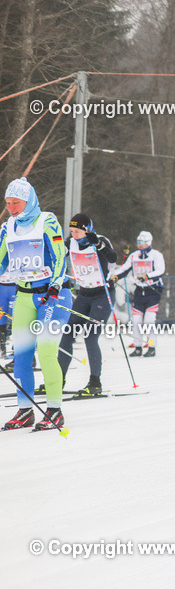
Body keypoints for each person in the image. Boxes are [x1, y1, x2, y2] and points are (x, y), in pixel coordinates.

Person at [0, 178, 73, 431]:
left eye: (16, 202)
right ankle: (25, 410)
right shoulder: (7, 228)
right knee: (21, 355)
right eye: (8, 202)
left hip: (52, 295)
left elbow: (60, 257)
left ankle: (54, 410)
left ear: (29, 201)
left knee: (46, 351)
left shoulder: (47, 221)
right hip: (24, 296)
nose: (11, 207)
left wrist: (54, 286)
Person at [58, 213, 117, 397]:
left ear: (88, 230)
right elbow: (57, 254)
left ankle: (95, 382)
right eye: (71, 231)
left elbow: (113, 259)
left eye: (77, 231)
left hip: (102, 295)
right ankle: (58, 380)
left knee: (90, 336)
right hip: (84, 295)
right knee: (67, 335)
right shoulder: (71, 242)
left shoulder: (100, 240)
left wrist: (98, 245)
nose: (74, 235)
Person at [109, 230, 165, 357]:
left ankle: (151, 347)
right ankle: (138, 347)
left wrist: (147, 276)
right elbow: (124, 270)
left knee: (149, 320)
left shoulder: (156, 255)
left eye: (143, 242)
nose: (140, 244)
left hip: (153, 290)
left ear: (149, 242)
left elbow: (160, 271)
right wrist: (115, 277)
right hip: (139, 291)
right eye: (138, 241)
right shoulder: (134, 256)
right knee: (136, 320)